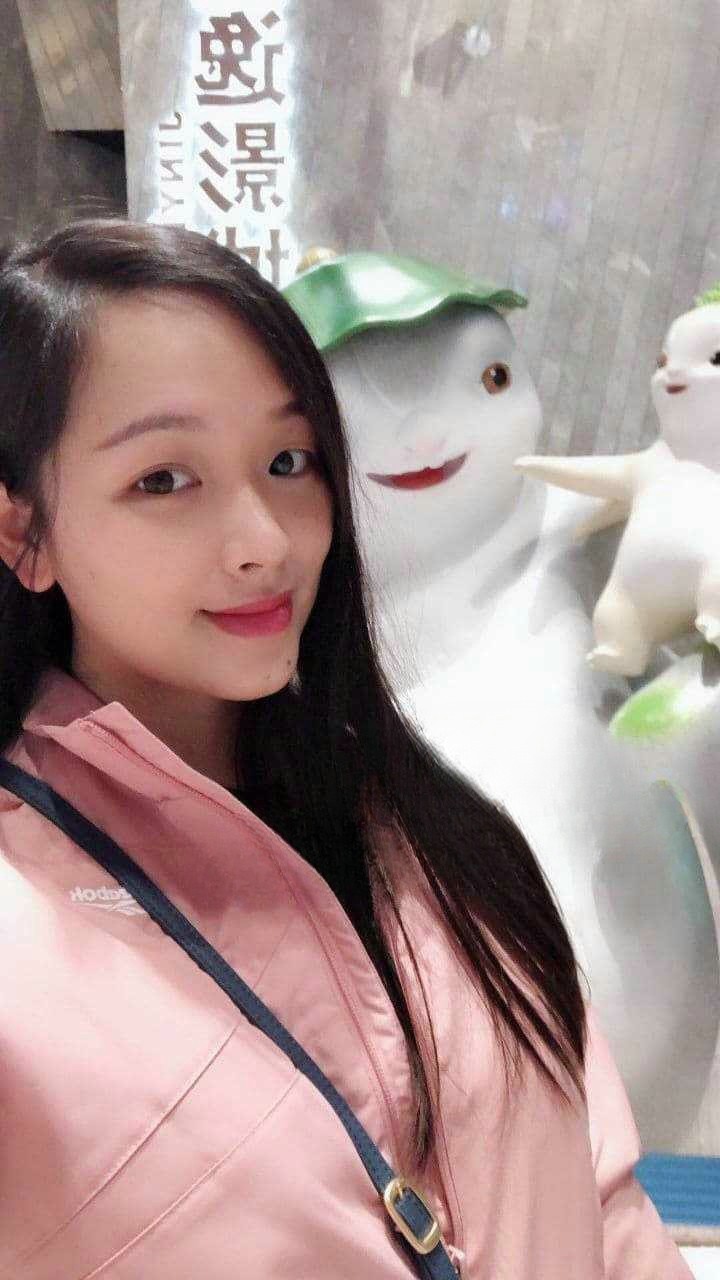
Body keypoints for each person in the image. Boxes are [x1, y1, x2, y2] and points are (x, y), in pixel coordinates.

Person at [0, 218, 691, 1279]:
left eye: (289, 461)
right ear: (24, 533)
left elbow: (605, 1202)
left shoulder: (437, 833)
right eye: (164, 480)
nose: (265, 541)